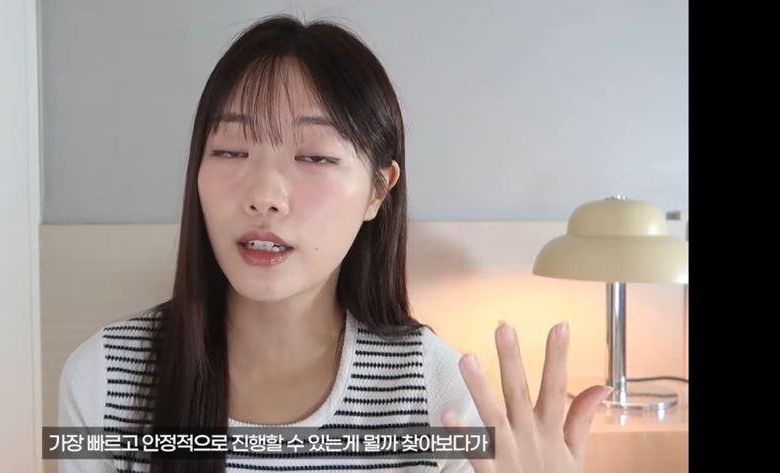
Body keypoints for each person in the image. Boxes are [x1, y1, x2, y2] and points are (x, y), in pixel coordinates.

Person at [58, 14, 610, 473]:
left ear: (378, 190)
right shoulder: (107, 378)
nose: (264, 196)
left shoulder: (436, 395)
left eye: (315, 157)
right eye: (230, 151)